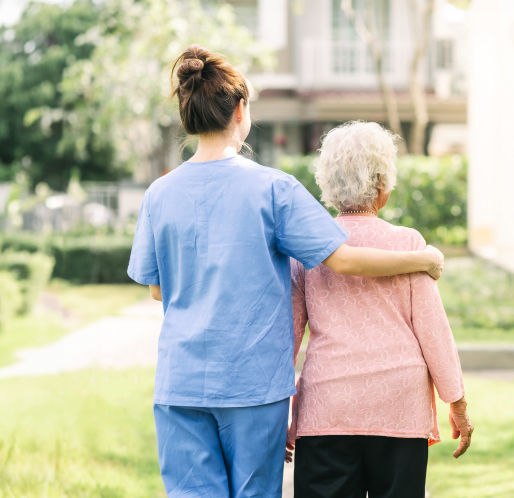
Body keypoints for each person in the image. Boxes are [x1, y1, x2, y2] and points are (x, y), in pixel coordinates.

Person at [127, 46, 444, 498]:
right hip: (252, 385)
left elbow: (158, 289)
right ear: (241, 110)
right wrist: (421, 259)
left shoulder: (158, 194)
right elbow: (344, 258)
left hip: (180, 383)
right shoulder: (273, 188)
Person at [287, 121, 473, 498]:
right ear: (382, 185)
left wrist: (279, 414)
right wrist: (458, 405)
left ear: (328, 182)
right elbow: (433, 333)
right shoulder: (408, 244)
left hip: (327, 409)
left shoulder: (308, 249)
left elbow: (285, 338)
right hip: (398, 408)